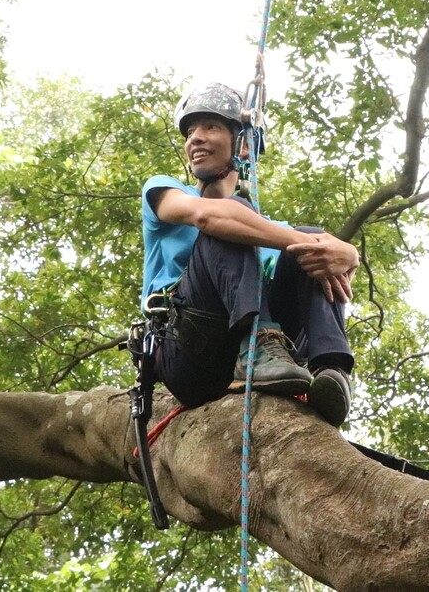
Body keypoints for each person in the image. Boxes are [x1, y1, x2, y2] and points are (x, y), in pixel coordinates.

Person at [141, 82, 358, 426]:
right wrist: (302, 244)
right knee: (230, 219)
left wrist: (346, 253)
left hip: (272, 358)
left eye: (210, 126)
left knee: (308, 236)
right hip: (190, 354)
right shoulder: (164, 191)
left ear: (242, 143)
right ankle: (259, 345)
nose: (195, 138)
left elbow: (317, 250)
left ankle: (331, 370)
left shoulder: (271, 230)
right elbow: (208, 216)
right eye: (191, 131)